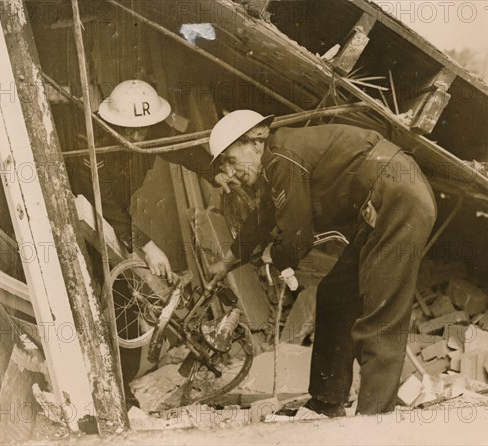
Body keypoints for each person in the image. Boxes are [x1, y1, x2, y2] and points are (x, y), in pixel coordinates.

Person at [208, 110, 437, 416]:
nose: (230, 172)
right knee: (335, 296)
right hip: (380, 204)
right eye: (224, 165)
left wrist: (275, 257)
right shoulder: (275, 163)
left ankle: (374, 418)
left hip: (397, 198)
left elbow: (297, 235)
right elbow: (262, 218)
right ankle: (327, 402)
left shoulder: (283, 157)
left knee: (382, 313)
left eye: (232, 161)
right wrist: (226, 263)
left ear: (256, 141)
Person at [65, 79, 220, 407]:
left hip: (115, 225)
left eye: (143, 131)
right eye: (129, 130)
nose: (136, 137)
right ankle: (98, 395)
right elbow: (103, 202)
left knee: (123, 302)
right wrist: (146, 245)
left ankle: (123, 392)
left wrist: (219, 173)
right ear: (111, 120)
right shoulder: (89, 140)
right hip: (84, 222)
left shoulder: (150, 128)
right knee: (94, 302)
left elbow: (183, 147)